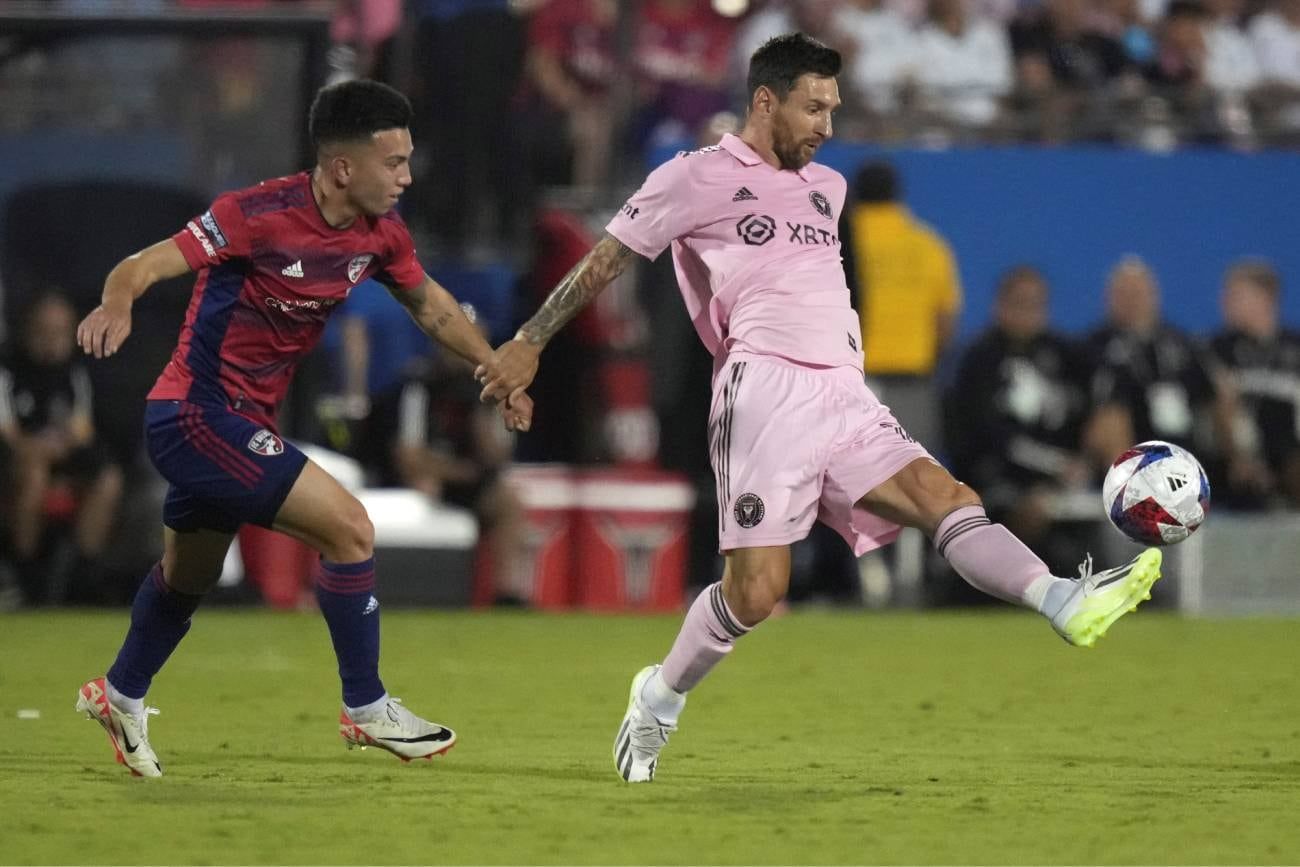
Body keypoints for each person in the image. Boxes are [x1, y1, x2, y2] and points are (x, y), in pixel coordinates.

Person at [475, 33, 1163, 784]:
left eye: (833, 108)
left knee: (946, 497)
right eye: (813, 107)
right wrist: (529, 341)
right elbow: (605, 259)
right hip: (764, 391)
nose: (826, 126)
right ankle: (659, 696)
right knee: (757, 593)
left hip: (843, 388)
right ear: (765, 100)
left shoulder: (826, 189)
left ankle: (1062, 598)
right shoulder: (692, 177)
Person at [71, 79, 532, 778]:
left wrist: (494, 364)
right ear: (343, 167)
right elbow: (144, 264)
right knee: (349, 526)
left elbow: (432, 305)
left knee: (185, 577)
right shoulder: (254, 213)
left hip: (238, 422)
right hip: (193, 413)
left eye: (408, 160)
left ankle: (121, 692)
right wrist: (118, 303)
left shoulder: (381, 232)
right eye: (394, 162)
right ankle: (367, 705)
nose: (407, 177)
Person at [944, 266, 1092, 581]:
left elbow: (1088, 414)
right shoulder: (978, 359)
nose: (1028, 313)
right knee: (1025, 512)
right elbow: (987, 436)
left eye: (1036, 304)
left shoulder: (1065, 355)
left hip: (1060, 483)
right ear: (1000, 305)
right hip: (994, 479)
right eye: (1020, 303)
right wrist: (1055, 466)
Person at [0, 292, 124, 604]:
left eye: (58, 333)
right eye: (43, 332)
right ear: (27, 331)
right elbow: (8, 432)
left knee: (107, 480)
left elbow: (82, 431)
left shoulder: (74, 373)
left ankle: (82, 574)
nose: (50, 341)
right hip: (17, 462)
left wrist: (63, 445)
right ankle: (25, 575)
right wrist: (39, 448)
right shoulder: (8, 370)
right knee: (34, 473)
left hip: (63, 458)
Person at [842, 160, 962, 452]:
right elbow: (945, 323)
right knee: (911, 482)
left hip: (848, 385)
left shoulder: (836, 242)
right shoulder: (929, 244)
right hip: (911, 385)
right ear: (896, 194)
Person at [1207, 259, 1300, 507]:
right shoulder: (1217, 349)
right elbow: (1221, 408)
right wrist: (1242, 455)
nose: (1225, 302)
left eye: (1236, 295)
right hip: (1237, 459)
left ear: (1266, 298)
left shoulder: (1294, 347)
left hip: (1291, 455)